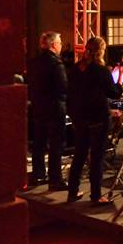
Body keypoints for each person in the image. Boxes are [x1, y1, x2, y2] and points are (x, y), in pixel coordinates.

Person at [67, 36, 122, 204]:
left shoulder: (76, 68)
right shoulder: (101, 70)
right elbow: (114, 93)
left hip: (80, 117)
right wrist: (119, 79)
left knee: (80, 155)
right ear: (100, 51)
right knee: (97, 158)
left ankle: (72, 192)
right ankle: (96, 195)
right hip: (98, 118)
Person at [28, 31, 69, 189]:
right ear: (53, 45)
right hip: (54, 108)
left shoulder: (33, 62)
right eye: (59, 42)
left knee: (39, 142)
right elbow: (63, 86)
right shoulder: (56, 64)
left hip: (38, 107)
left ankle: (38, 175)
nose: (60, 45)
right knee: (56, 144)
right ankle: (55, 179)